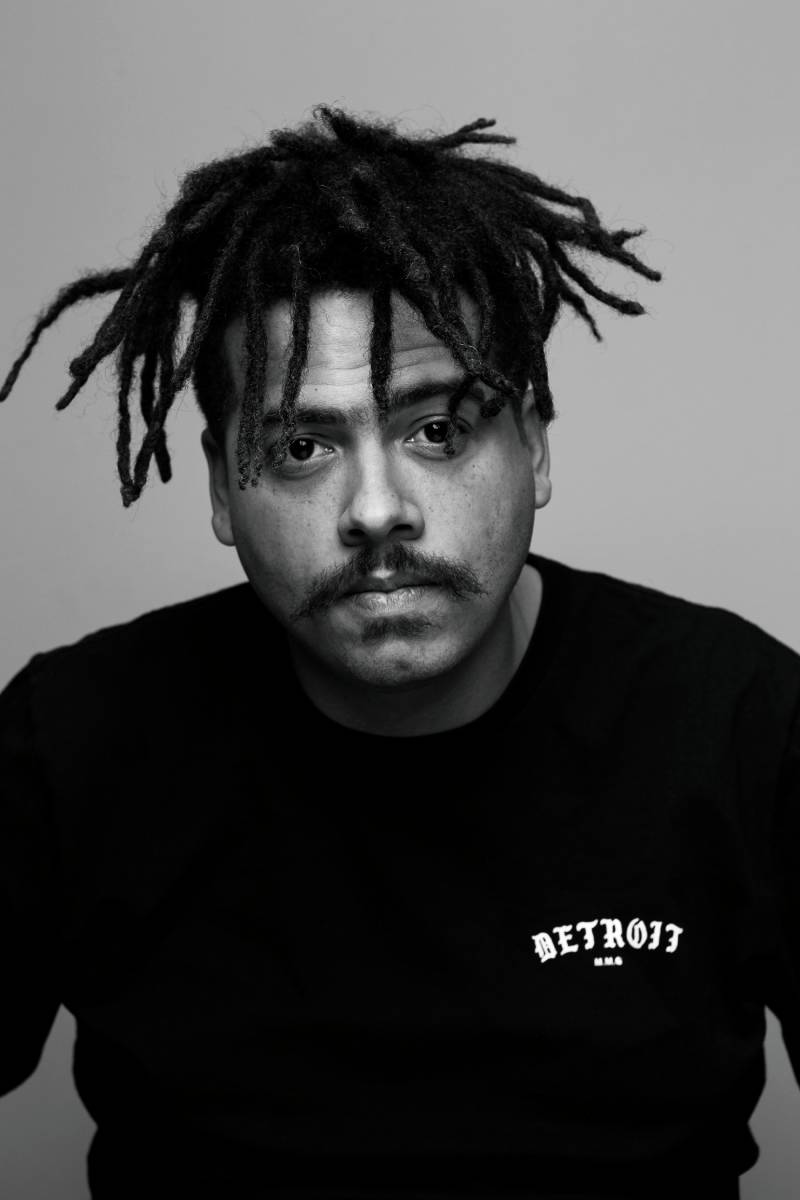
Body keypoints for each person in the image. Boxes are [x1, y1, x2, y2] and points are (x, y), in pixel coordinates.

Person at [0, 106, 797, 1200]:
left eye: (437, 430)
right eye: (301, 446)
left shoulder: (741, 724)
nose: (376, 510)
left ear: (533, 446)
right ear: (223, 489)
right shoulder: (74, 744)